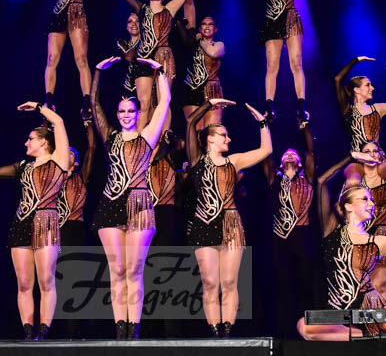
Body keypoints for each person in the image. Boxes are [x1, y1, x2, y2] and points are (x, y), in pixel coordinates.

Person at [89, 55, 171, 339]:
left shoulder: (147, 137)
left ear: (137, 113)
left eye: (130, 110)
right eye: (122, 110)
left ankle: (133, 330)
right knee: (117, 271)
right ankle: (119, 329)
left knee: (134, 271)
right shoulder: (110, 137)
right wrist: (98, 72)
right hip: (110, 204)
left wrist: (159, 71)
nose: (125, 114)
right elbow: (94, 104)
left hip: (139, 205)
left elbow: (164, 102)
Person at [297, 181, 386, 341]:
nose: (372, 204)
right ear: (349, 206)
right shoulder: (331, 230)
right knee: (304, 326)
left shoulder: (378, 242)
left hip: (374, 310)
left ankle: (373, 334)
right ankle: (371, 336)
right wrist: (350, 164)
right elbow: (322, 182)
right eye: (365, 199)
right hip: (339, 313)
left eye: (371, 200)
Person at [185, 99, 272, 337]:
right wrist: (209, 104)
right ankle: (215, 334)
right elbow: (191, 122)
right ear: (210, 139)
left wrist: (262, 123)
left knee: (230, 283)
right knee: (210, 283)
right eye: (224, 135)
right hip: (204, 223)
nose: (229, 139)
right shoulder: (197, 160)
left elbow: (266, 150)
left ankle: (227, 335)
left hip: (231, 224)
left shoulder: (234, 161)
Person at [0, 103, 70, 340]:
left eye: (30, 139)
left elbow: (59, 122)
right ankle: (28, 331)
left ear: (43, 142)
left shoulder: (58, 161)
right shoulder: (23, 167)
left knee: (46, 281)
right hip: (21, 224)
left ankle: (43, 331)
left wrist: (39, 107)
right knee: (23, 283)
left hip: (46, 223)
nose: (25, 143)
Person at [247, 0, 318, 124]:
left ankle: (301, 107)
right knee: (272, 66)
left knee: (296, 63)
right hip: (272, 21)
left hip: (291, 19)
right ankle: (269, 108)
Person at [317, 140, 386, 302]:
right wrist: (353, 227)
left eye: (374, 151)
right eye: (366, 151)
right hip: (357, 234)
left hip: (380, 234)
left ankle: (382, 316)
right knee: (362, 284)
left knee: (380, 284)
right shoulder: (353, 181)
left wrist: (384, 226)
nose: (371, 154)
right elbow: (338, 204)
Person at [118, 0, 192, 131]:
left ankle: (163, 139)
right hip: (143, 58)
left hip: (163, 57)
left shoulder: (170, 9)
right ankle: (139, 139)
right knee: (144, 104)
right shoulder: (141, 9)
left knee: (163, 101)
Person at [27, 0, 93, 118]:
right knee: (51, 58)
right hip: (58, 16)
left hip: (76, 15)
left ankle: (87, 101)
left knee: (81, 59)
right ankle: (49, 100)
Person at [261, 123, 317, 338]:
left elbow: (311, 151)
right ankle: (283, 329)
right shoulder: (274, 179)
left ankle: (308, 326)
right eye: (286, 154)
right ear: (281, 162)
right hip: (280, 237)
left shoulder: (307, 178)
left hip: (302, 235)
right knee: (282, 283)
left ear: (300, 162)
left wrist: (305, 127)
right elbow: (267, 157)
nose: (290, 154)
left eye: (294, 153)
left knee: (305, 282)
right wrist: (266, 126)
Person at [334, 56, 386, 183]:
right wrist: (356, 60)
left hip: (379, 157)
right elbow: (337, 79)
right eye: (368, 85)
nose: (372, 88)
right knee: (353, 183)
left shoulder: (378, 108)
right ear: (356, 90)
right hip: (358, 160)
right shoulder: (348, 110)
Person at [56, 123, 96, 338]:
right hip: (56, 230)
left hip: (75, 229)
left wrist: (88, 124)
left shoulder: (81, 177)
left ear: (77, 161)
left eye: (71, 152)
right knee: (55, 280)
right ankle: (52, 329)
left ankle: (74, 330)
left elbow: (91, 148)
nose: (67, 153)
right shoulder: (53, 176)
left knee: (74, 280)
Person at [177, 16, 225, 130]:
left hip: (213, 90)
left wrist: (200, 40)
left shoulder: (219, 45)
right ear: (199, 28)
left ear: (215, 29)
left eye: (210, 24)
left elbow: (213, 53)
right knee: (195, 131)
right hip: (192, 90)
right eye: (204, 24)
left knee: (212, 130)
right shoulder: (191, 46)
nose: (207, 26)